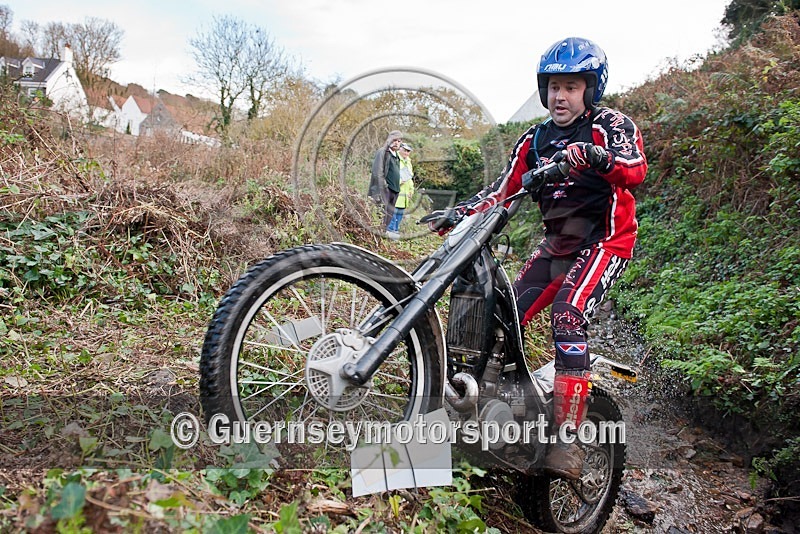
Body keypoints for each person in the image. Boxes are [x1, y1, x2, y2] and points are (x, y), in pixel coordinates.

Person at [432, 37, 647, 480]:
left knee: (568, 313)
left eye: (571, 87)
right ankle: (488, 407)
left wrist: (597, 157)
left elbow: (635, 167)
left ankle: (569, 438)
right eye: (553, 87)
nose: (559, 96)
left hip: (605, 242)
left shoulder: (609, 125)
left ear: (590, 89)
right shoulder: (535, 139)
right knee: (500, 314)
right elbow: (502, 190)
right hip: (556, 246)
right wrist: (460, 212)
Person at [369, 130, 403, 233]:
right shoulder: (382, 152)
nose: (396, 143)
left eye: (399, 141)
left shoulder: (397, 156)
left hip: (395, 191)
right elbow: (377, 172)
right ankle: (376, 235)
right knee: (380, 215)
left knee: (389, 216)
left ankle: (382, 234)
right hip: (384, 190)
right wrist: (384, 186)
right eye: (394, 140)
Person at [386, 143, 415, 239]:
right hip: (396, 191)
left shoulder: (408, 162)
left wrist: (411, 190)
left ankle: (395, 232)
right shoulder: (396, 158)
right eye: (405, 150)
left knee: (399, 215)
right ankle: (390, 232)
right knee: (393, 214)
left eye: (408, 151)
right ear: (400, 149)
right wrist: (399, 182)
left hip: (405, 194)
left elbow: (410, 178)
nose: (406, 153)